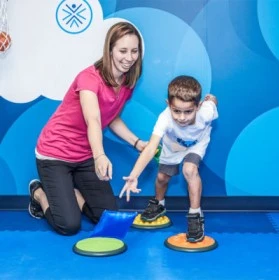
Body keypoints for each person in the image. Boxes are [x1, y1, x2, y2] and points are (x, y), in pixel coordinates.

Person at [28, 22, 146, 235]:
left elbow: (110, 117)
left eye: (134, 51)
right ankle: (38, 193)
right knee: (69, 225)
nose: (129, 58)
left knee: (107, 217)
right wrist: (100, 156)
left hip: (83, 156)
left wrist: (137, 143)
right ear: (109, 49)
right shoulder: (89, 78)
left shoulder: (128, 80)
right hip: (55, 154)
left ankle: (71, 192)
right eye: (122, 51)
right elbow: (93, 119)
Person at [119, 75, 218, 242]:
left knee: (189, 170)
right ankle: (159, 204)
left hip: (196, 145)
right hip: (173, 146)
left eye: (188, 111)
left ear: (198, 106)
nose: (182, 117)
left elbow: (213, 102)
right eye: (176, 111)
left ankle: (195, 215)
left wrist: (213, 99)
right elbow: (151, 147)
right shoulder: (164, 118)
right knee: (162, 177)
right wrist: (134, 175)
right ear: (168, 105)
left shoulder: (206, 112)